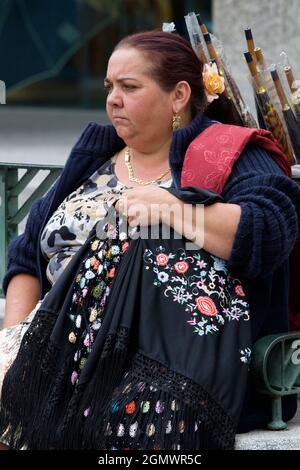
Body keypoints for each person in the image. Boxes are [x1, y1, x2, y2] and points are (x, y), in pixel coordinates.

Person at [0, 31, 300, 450]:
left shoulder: (225, 152)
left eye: (129, 87)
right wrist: (17, 343)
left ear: (178, 95)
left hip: (160, 364)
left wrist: (173, 209)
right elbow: (27, 252)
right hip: (55, 345)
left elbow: (270, 228)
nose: (113, 100)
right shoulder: (95, 153)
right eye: (109, 87)